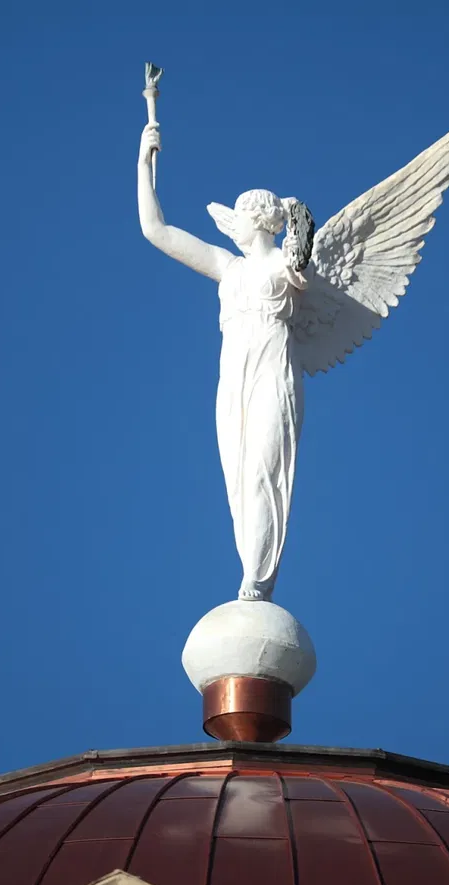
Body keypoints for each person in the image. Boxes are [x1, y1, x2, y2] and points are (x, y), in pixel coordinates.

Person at [136, 122, 309, 603]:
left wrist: (299, 219)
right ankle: (251, 566)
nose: (233, 224)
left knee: (263, 467)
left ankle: (258, 576)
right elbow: (157, 231)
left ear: (258, 219)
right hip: (234, 372)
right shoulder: (225, 268)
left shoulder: (281, 266)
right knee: (237, 472)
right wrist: (144, 163)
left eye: (241, 216)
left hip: (273, 369)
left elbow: (300, 258)